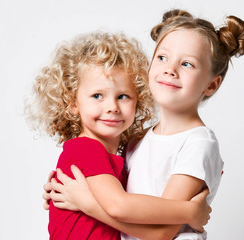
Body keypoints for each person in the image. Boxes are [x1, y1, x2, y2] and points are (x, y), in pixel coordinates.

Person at [44, 10, 244, 240]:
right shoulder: (136, 141)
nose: (169, 69)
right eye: (162, 58)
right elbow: (112, 196)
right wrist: (69, 195)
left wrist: (87, 203)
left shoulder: (198, 144)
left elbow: (162, 232)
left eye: (187, 64)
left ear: (211, 85)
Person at [26, 31, 211, 240]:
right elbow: (118, 206)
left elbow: (145, 227)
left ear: (137, 101)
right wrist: (191, 211)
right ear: (73, 103)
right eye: (97, 96)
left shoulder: (122, 156)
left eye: (123, 96)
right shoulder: (86, 149)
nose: (112, 107)